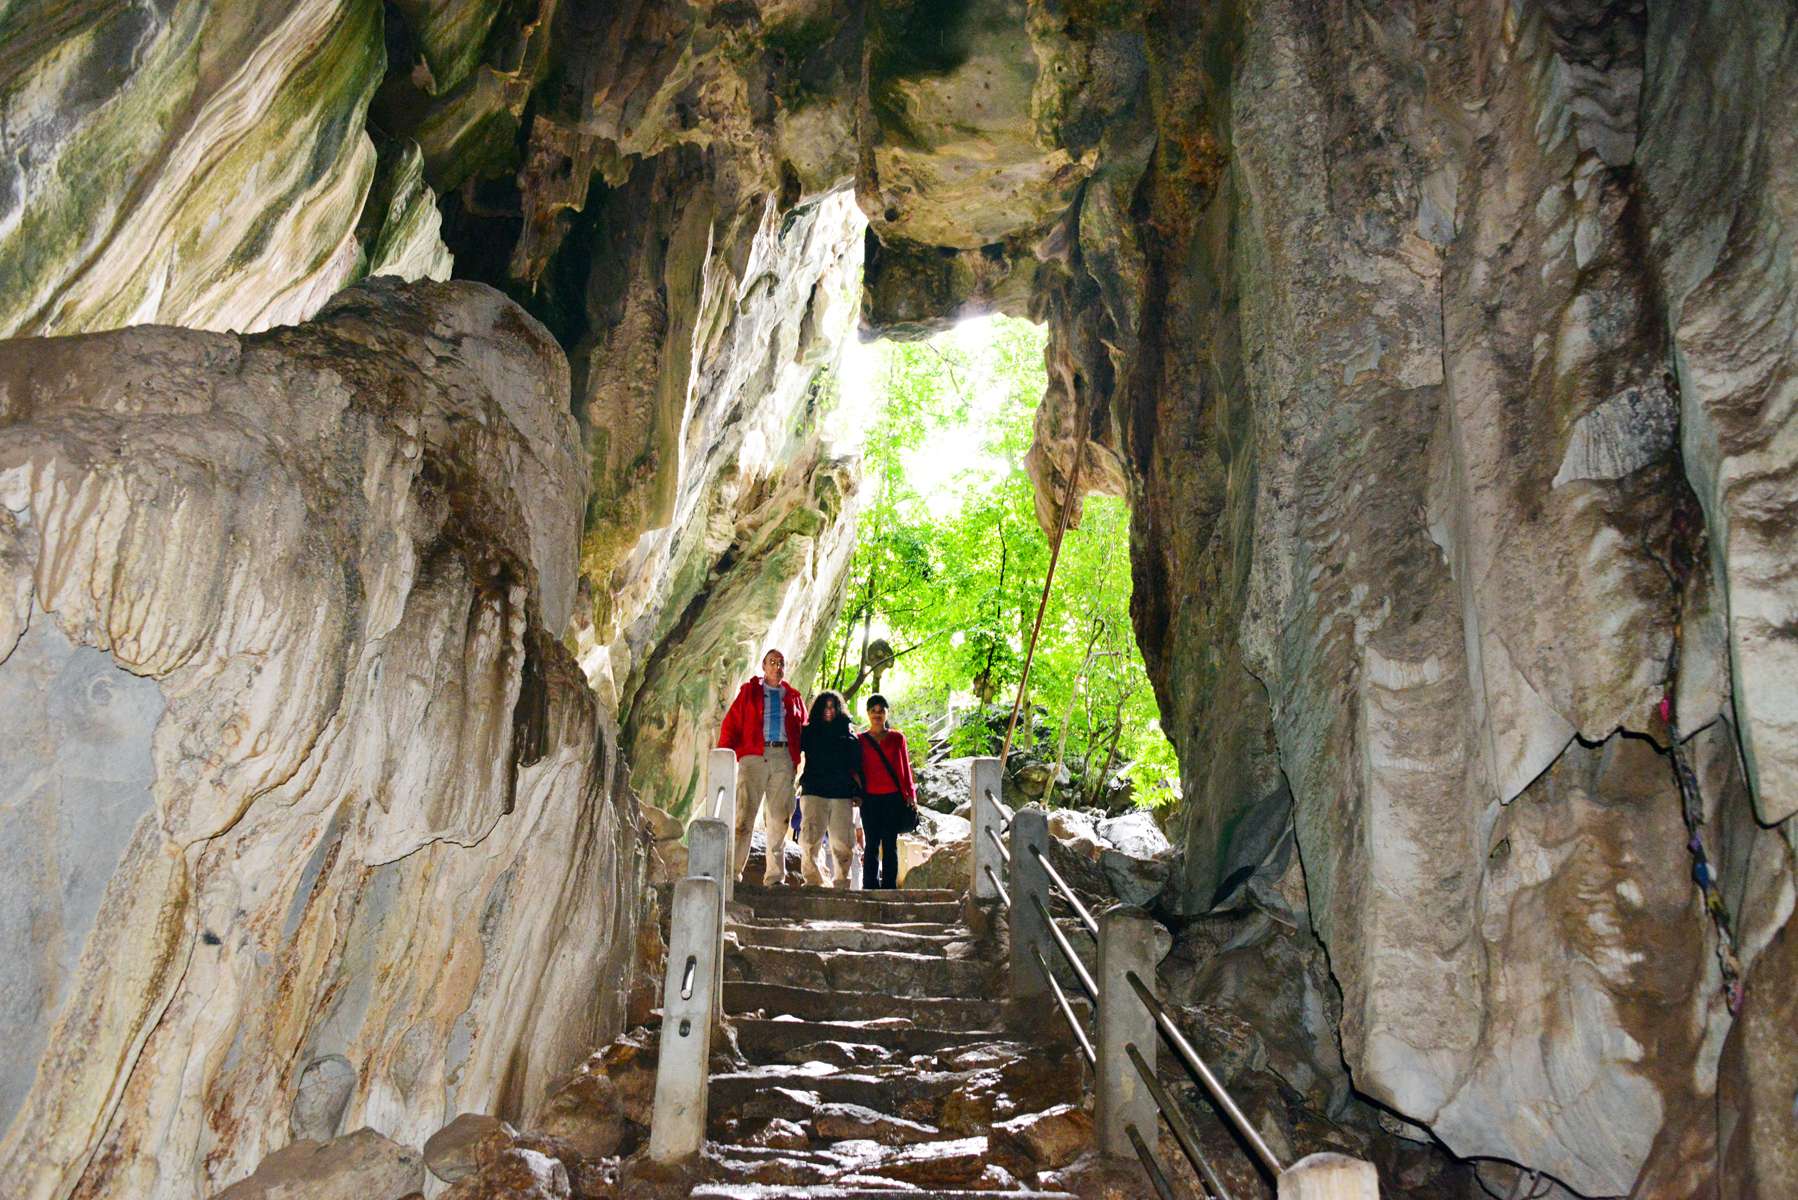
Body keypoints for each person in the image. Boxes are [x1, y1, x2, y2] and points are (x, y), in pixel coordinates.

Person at [716, 648, 806, 885]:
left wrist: (797, 761)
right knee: (744, 816)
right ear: (764, 666)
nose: (777, 666)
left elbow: (803, 729)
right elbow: (731, 723)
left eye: (781, 663)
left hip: (783, 757)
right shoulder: (749, 692)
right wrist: (724, 754)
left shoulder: (793, 697)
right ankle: (732, 875)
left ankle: (775, 878)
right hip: (754, 756)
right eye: (772, 662)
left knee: (779, 818)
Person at [796, 690, 862, 887]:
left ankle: (842, 882)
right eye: (825, 706)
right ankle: (813, 881)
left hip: (841, 793)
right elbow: (794, 755)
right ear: (818, 709)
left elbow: (856, 767)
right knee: (810, 839)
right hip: (814, 791)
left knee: (843, 841)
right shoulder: (808, 732)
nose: (829, 710)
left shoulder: (848, 734)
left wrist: (858, 792)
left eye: (833, 707)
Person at [857, 693, 916, 890]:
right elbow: (855, 769)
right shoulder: (860, 740)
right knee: (871, 843)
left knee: (890, 844)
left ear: (886, 713)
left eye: (881, 711)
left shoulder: (897, 738)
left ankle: (889, 887)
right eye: (873, 711)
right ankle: (869, 887)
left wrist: (911, 795)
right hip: (869, 799)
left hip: (893, 798)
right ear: (868, 714)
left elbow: (905, 768)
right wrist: (856, 792)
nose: (877, 715)